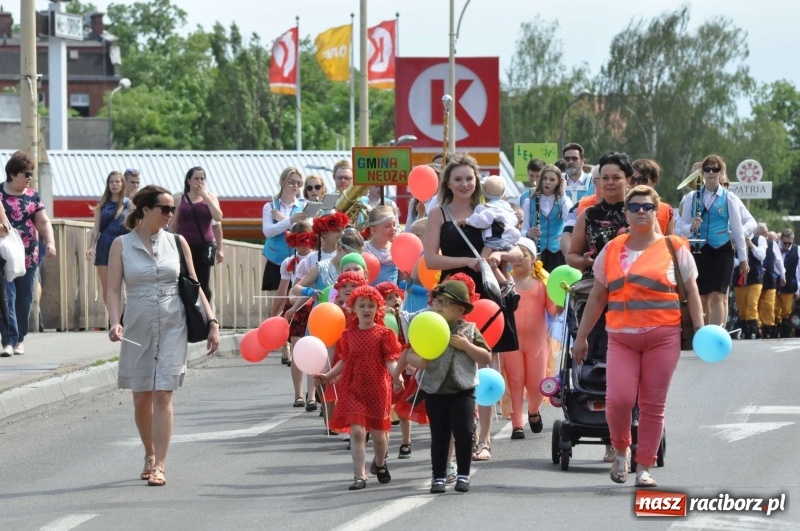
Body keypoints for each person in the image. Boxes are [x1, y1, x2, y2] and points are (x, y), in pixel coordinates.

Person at [573, 185, 704, 488]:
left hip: (663, 335)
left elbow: (693, 291)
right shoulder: (613, 248)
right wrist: (581, 338)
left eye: (647, 207)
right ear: (626, 213)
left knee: (652, 403)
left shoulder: (675, 247)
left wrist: (700, 329)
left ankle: (644, 466)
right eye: (635, 207)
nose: (641, 212)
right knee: (617, 400)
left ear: (656, 211)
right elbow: (597, 297)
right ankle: (621, 449)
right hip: (621, 337)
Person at [107, 185, 221, 487]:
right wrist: (114, 321)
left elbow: (194, 286)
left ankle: (160, 464)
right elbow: (113, 288)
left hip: (173, 321)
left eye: (173, 209)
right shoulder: (121, 244)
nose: (171, 214)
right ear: (146, 210)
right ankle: (149, 452)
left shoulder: (178, 241)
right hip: (138, 323)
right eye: (166, 209)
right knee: (141, 396)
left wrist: (212, 321)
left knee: (163, 393)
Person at [423, 153, 523, 462]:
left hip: (487, 291)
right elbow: (430, 260)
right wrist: (468, 261)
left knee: (485, 363)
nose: (465, 184)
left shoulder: (491, 210)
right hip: (452, 293)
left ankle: (484, 440)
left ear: (477, 180)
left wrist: (496, 256)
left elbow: (517, 250)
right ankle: (454, 439)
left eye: (469, 178)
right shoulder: (438, 214)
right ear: (448, 183)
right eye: (458, 179)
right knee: (449, 361)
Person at [566, 151, 631, 463]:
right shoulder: (588, 214)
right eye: (604, 177)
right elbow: (573, 257)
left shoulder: (641, 212)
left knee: (624, 365)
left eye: (616, 177)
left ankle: (619, 435)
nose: (609, 182)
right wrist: (587, 261)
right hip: (595, 293)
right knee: (596, 359)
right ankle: (601, 427)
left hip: (632, 295)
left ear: (628, 180)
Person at [406, 278, 492, 493]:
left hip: (463, 390)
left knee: (463, 432)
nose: (440, 306)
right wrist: (420, 361)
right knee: (439, 435)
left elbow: (486, 356)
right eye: (438, 301)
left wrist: (467, 346)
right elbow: (411, 354)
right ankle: (439, 476)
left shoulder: (469, 329)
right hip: (436, 389)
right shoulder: (428, 326)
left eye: (446, 302)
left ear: (461, 308)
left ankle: (464, 474)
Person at [316, 285, 401, 490]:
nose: (366, 309)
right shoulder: (348, 335)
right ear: (353, 309)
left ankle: (380, 463)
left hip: (378, 388)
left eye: (371, 306)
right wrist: (328, 376)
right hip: (354, 387)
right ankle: (359, 475)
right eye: (361, 305)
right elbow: (345, 360)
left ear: (377, 308)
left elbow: (390, 360)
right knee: (357, 432)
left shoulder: (384, 334)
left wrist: (397, 377)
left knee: (380, 436)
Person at [676, 155, 749, 327]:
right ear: (702, 172)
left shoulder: (729, 197)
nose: (711, 172)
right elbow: (680, 228)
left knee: (718, 295)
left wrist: (744, 258)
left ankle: (717, 335)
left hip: (722, 249)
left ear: (721, 172)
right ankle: (703, 335)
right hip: (699, 250)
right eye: (707, 169)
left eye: (715, 169)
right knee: (701, 297)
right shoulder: (691, 197)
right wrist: (691, 227)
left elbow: (738, 231)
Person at [0, 151, 56, 357]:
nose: (30, 178)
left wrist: (50, 242)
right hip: (3, 255)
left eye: (31, 174)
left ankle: (20, 338)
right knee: (6, 297)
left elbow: (42, 221)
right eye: (27, 174)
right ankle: (8, 341)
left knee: (24, 299)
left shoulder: (33, 196)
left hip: (28, 255)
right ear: (13, 174)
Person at [504, 237, 558, 439]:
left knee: (536, 382)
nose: (518, 260)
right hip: (512, 341)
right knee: (515, 381)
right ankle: (517, 424)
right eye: (514, 256)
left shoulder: (542, 284)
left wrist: (561, 302)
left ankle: (533, 411)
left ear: (533, 258)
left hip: (537, 342)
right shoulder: (505, 282)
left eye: (523, 255)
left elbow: (552, 310)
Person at [270, 221, 318, 402]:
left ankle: (312, 395)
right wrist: (273, 315)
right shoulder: (288, 263)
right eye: (297, 241)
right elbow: (282, 291)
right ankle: (298, 394)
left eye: (306, 240)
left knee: (314, 350)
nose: (302, 245)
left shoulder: (317, 259)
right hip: (295, 307)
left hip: (314, 306)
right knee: (298, 350)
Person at [168, 166, 223, 302]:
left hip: (204, 247)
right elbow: (173, 224)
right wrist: (167, 242)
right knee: (184, 279)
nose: (199, 182)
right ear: (188, 181)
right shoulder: (179, 198)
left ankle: (205, 315)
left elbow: (218, 219)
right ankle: (186, 312)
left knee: (203, 282)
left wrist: (220, 249)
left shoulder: (210, 198)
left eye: (202, 179)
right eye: (196, 178)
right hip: (183, 245)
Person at [462, 175, 520, 289]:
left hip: (493, 240)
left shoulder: (487, 208)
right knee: (503, 267)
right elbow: (514, 221)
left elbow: (482, 221)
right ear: (503, 194)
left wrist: (467, 221)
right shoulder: (506, 207)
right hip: (508, 240)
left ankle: (504, 285)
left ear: (484, 192)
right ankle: (510, 286)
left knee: (483, 263)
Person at [86, 171, 131, 306]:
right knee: (107, 287)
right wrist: (91, 246)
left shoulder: (129, 204)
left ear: (122, 184)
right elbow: (96, 229)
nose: (114, 184)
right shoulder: (103, 204)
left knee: (120, 285)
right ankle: (112, 318)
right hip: (105, 245)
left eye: (117, 181)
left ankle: (121, 319)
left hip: (123, 245)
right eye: (111, 182)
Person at [261, 167, 308, 293]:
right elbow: (268, 231)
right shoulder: (269, 206)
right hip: (275, 259)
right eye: (291, 182)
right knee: (275, 301)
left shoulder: (303, 206)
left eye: (299, 183)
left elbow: (306, 232)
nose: (295, 186)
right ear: (282, 182)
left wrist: (282, 219)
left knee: (294, 298)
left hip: (298, 260)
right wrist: (291, 220)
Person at [522, 165, 573, 273]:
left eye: (552, 179)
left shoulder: (563, 200)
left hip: (557, 252)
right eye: (544, 178)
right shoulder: (529, 201)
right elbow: (523, 230)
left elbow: (569, 218)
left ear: (559, 182)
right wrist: (528, 233)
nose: (547, 182)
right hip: (536, 251)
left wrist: (563, 193)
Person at [733, 224, 767, 339]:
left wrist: (750, 243)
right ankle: (744, 330)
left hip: (755, 278)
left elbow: (761, 256)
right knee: (742, 307)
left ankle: (753, 330)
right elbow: (731, 260)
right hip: (739, 277)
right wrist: (741, 261)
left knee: (752, 304)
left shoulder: (759, 239)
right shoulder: (734, 239)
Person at [631, 159, 674, 235]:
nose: (636, 184)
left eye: (642, 180)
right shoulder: (623, 207)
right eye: (632, 180)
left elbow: (669, 242)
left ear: (654, 181)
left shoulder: (666, 210)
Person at [757, 226, 784, 339]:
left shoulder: (772, 244)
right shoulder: (752, 242)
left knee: (769, 305)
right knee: (756, 305)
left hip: (769, 279)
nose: (766, 235)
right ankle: (757, 329)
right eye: (764, 233)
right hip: (756, 279)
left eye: (767, 232)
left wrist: (782, 275)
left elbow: (778, 261)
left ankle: (769, 329)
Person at [363, 205, 399, 285]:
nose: (393, 229)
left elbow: (402, 281)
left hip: (391, 295)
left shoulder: (396, 249)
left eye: (394, 224)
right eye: (387, 226)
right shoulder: (363, 249)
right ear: (373, 230)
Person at [776, 228, 800, 338]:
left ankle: (785, 334)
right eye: (785, 243)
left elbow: (799, 271)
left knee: (787, 311)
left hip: (790, 285)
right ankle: (773, 332)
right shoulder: (774, 247)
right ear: (781, 239)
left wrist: (798, 289)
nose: (787, 245)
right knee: (774, 309)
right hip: (774, 284)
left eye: (790, 243)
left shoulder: (797, 249)